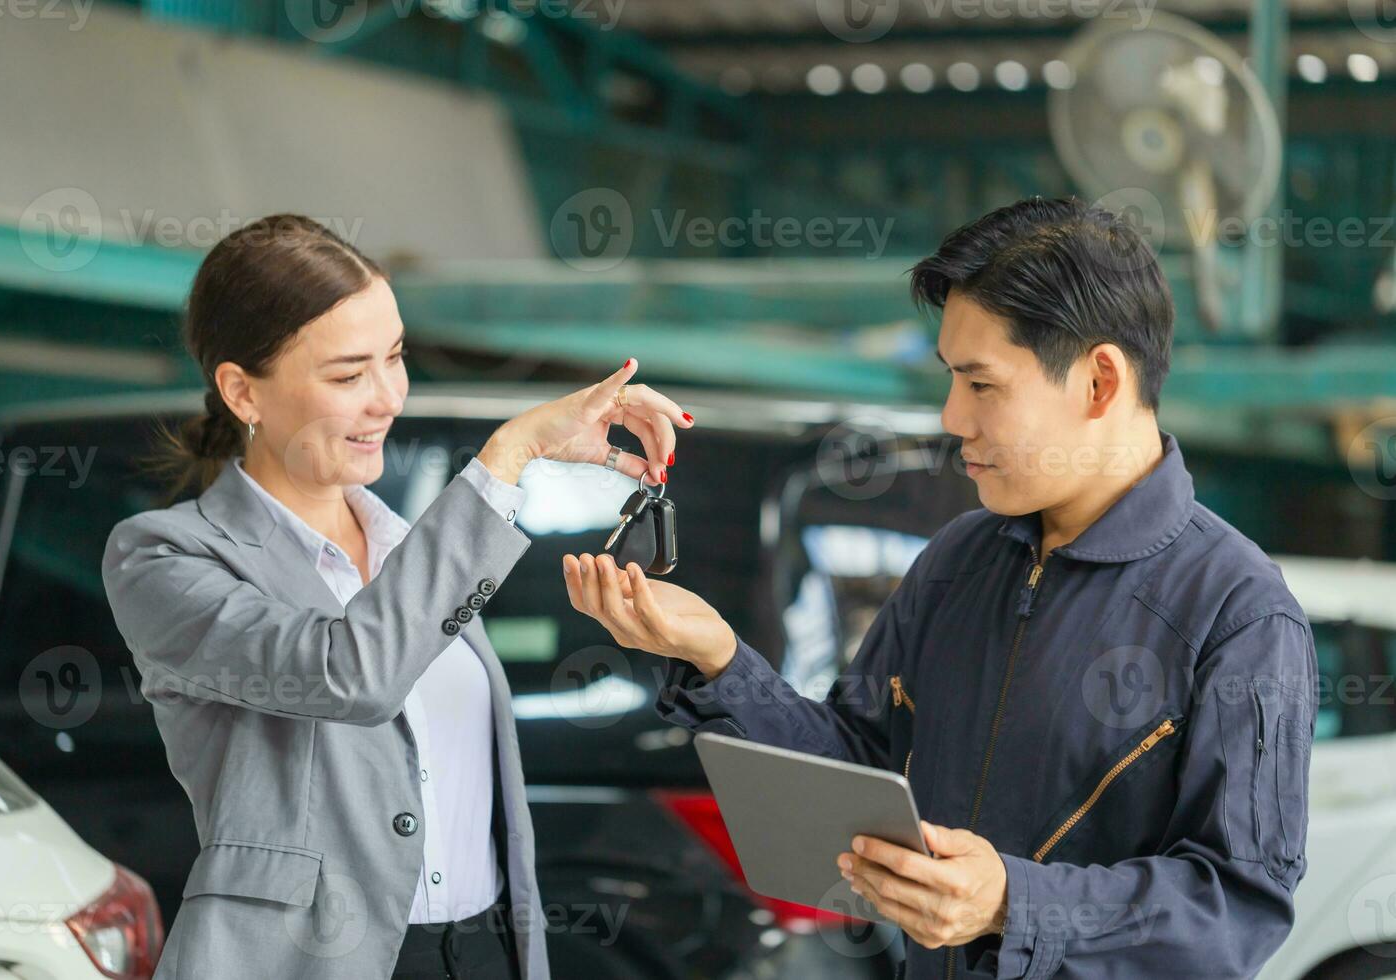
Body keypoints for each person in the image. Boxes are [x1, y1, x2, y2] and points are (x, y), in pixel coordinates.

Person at [563, 197, 1316, 979]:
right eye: (951, 380)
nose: (953, 417)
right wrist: (718, 659)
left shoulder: (1238, 614)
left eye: (981, 385)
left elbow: (1238, 905)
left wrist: (1012, 904)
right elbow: (857, 772)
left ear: (1098, 383)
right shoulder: (961, 558)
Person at [101, 214, 693, 980]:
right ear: (243, 390)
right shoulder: (166, 557)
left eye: (395, 357)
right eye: (349, 375)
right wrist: (508, 456)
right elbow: (349, 674)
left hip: (484, 952)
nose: (387, 398)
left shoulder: (410, 548)